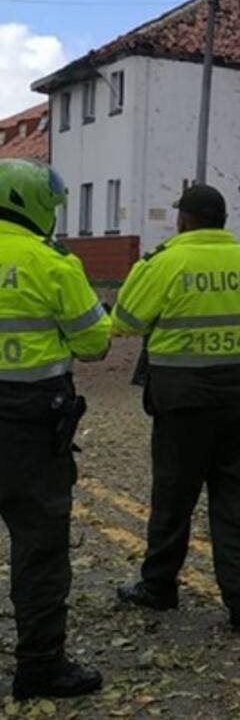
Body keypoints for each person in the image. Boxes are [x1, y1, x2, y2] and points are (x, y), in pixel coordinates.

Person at [111, 184, 240, 630]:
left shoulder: (164, 262)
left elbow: (125, 322)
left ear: (185, 220)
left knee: (173, 499)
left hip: (182, 404)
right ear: (222, 219)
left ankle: (159, 587)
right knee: (236, 505)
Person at [0, 159, 110, 700]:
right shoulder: (53, 264)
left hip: (29, 423)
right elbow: (95, 343)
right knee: (39, 547)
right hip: (29, 427)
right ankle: (40, 666)